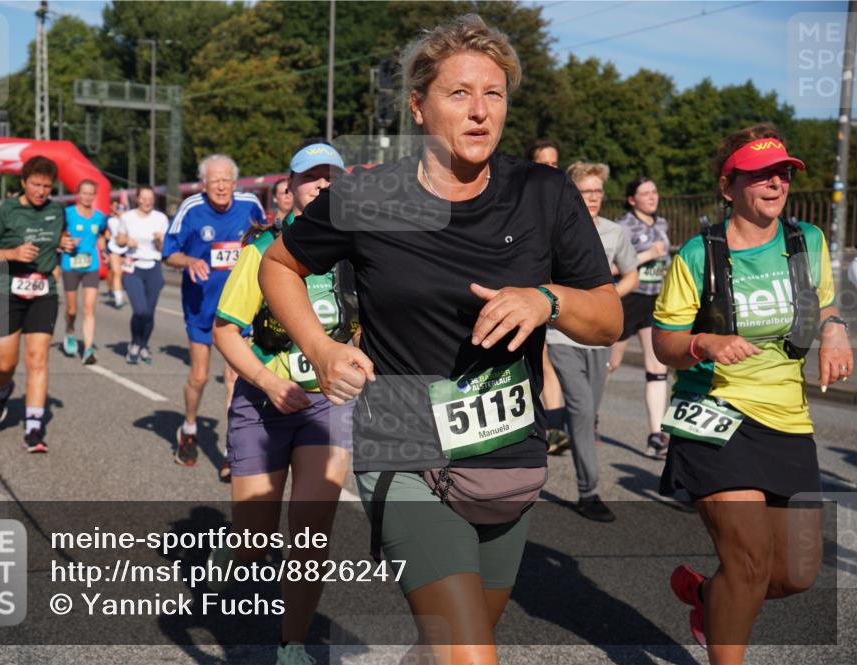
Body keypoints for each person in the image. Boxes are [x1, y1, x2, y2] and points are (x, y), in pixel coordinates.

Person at [259, 15, 622, 664]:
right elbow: (279, 264)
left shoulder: (542, 194)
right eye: (460, 93)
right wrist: (319, 346)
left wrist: (546, 299)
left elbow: (606, 317)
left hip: (509, 456)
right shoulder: (368, 196)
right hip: (405, 448)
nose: (481, 111)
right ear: (419, 107)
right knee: (470, 654)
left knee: (447, 644)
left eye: (495, 94)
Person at [653, 125, 851, 661]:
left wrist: (834, 330)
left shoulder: (806, 242)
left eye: (782, 172)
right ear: (728, 186)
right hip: (715, 415)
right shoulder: (698, 254)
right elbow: (664, 343)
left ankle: (707, 597)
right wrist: (703, 341)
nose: (775, 182)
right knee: (748, 564)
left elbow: (825, 307)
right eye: (760, 173)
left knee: (794, 575)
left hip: (787, 420)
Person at [212, 142, 355, 665]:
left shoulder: (357, 253)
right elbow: (225, 331)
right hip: (264, 403)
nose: (322, 186)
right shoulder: (263, 249)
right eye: (311, 178)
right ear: (289, 188)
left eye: (331, 178)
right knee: (252, 545)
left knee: (312, 533)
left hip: (327, 405)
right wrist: (267, 383)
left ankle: (291, 644)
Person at [546, 162, 639, 522]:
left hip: (599, 336)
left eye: (598, 191)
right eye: (587, 191)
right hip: (562, 334)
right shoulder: (556, 230)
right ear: (573, 193)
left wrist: (611, 297)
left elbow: (632, 274)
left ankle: (542, 428)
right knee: (582, 410)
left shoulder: (615, 233)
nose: (594, 198)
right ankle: (589, 493)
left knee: (588, 411)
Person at [163, 154, 265, 475]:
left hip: (239, 307)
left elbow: (264, 240)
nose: (220, 187)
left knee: (235, 378)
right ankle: (189, 429)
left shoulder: (250, 205)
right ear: (204, 184)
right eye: (214, 181)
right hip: (201, 304)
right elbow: (169, 252)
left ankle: (230, 450)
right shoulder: (191, 209)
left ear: (235, 183)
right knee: (200, 376)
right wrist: (189, 261)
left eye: (226, 181)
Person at [0, 156, 75, 453]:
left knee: (38, 357)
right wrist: (12, 253)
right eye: (35, 185)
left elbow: (60, 235)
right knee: (4, 362)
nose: (41, 191)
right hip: (7, 290)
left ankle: (33, 428)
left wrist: (64, 243)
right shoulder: (6, 211)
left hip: (43, 289)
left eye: (46, 186)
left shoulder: (57, 210)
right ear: (23, 182)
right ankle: (3, 390)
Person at [611, 175, 672, 459]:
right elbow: (610, 266)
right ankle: (587, 418)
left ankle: (656, 435)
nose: (652, 196)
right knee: (611, 363)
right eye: (645, 193)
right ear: (631, 199)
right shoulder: (622, 227)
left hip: (654, 300)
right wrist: (647, 254)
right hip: (627, 300)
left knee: (658, 367)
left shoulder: (661, 224)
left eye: (654, 191)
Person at [525, 139, 569, 453]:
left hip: (554, 292)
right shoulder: (522, 197)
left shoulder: (563, 197)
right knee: (539, 359)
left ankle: (554, 426)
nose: (550, 169)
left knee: (545, 359)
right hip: (527, 289)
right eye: (544, 163)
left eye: (554, 164)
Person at [117, 185, 169, 365]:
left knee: (150, 312)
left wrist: (159, 240)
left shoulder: (161, 218)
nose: (147, 202)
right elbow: (119, 239)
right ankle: (135, 343)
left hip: (154, 266)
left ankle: (143, 345)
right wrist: (125, 241)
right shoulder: (127, 217)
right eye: (143, 198)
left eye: (150, 198)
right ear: (137, 199)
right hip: (133, 266)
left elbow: (164, 249)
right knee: (140, 310)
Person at [60, 179, 105, 365]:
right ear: (78, 195)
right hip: (70, 264)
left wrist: (103, 250)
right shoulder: (67, 213)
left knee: (89, 308)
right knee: (72, 309)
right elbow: (59, 234)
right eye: (84, 193)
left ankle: (88, 349)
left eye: (90, 193)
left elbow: (101, 235)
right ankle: (70, 331)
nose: (87, 197)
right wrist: (65, 241)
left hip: (91, 266)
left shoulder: (100, 217)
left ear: (94, 196)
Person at [105, 199, 128, 308]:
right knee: (116, 272)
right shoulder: (111, 221)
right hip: (114, 248)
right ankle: (118, 299)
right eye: (119, 209)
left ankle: (120, 291)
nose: (121, 211)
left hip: (127, 250)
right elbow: (107, 235)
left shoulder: (130, 221)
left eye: (123, 209)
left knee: (124, 274)